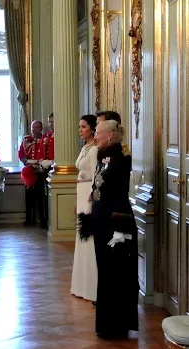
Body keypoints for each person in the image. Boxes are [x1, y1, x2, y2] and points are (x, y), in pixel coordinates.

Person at [89, 120, 138, 338]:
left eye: (98, 133)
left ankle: (118, 325)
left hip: (118, 224)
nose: (95, 136)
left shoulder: (121, 160)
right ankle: (107, 325)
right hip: (102, 223)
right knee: (105, 271)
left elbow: (114, 191)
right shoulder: (104, 158)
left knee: (118, 271)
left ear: (109, 135)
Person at [70, 115, 98, 302]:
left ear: (93, 129)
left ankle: (91, 287)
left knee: (89, 238)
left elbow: (96, 174)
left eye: (83, 127)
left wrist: (92, 197)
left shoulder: (95, 149)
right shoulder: (85, 147)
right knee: (81, 237)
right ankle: (80, 285)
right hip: (81, 193)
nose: (80, 130)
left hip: (89, 194)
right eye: (79, 127)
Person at [18, 120, 46, 226]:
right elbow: (21, 153)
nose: (35, 130)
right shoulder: (26, 140)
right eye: (33, 127)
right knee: (29, 196)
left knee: (40, 197)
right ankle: (29, 218)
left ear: (41, 128)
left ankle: (42, 219)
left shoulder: (45, 140)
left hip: (40, 171)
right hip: (29, 171)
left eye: (37, 127)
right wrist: (25, 160)